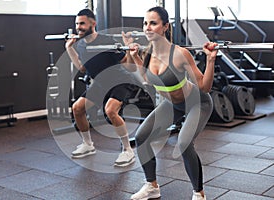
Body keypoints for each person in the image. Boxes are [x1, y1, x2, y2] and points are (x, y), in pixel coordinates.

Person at [125, 6, 218, 200]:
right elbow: (144, 79)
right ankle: (152, 186)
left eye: (153, 23)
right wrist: (134, 57)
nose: (147, 28)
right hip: (173, 105)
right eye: (145, 23)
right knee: (142, 136)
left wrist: (210, 61)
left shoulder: (180, 54)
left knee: (184, 143)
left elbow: (204, 87)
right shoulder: (147, 53)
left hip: (196, 103)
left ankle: (199, 194)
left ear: (165, 26)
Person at [65, 8, 137, 167]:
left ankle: (127, 150)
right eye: (77, 24)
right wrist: (69, 48)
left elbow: (129, 66)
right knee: (77, 108)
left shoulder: (108, 40)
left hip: (120, 79)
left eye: (82, 23)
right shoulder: (81, 45)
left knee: (110, 110)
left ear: (93, 24)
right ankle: (88, 144)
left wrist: (130, 49)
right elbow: (83, 68)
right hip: (100, 82)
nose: (79, 27)